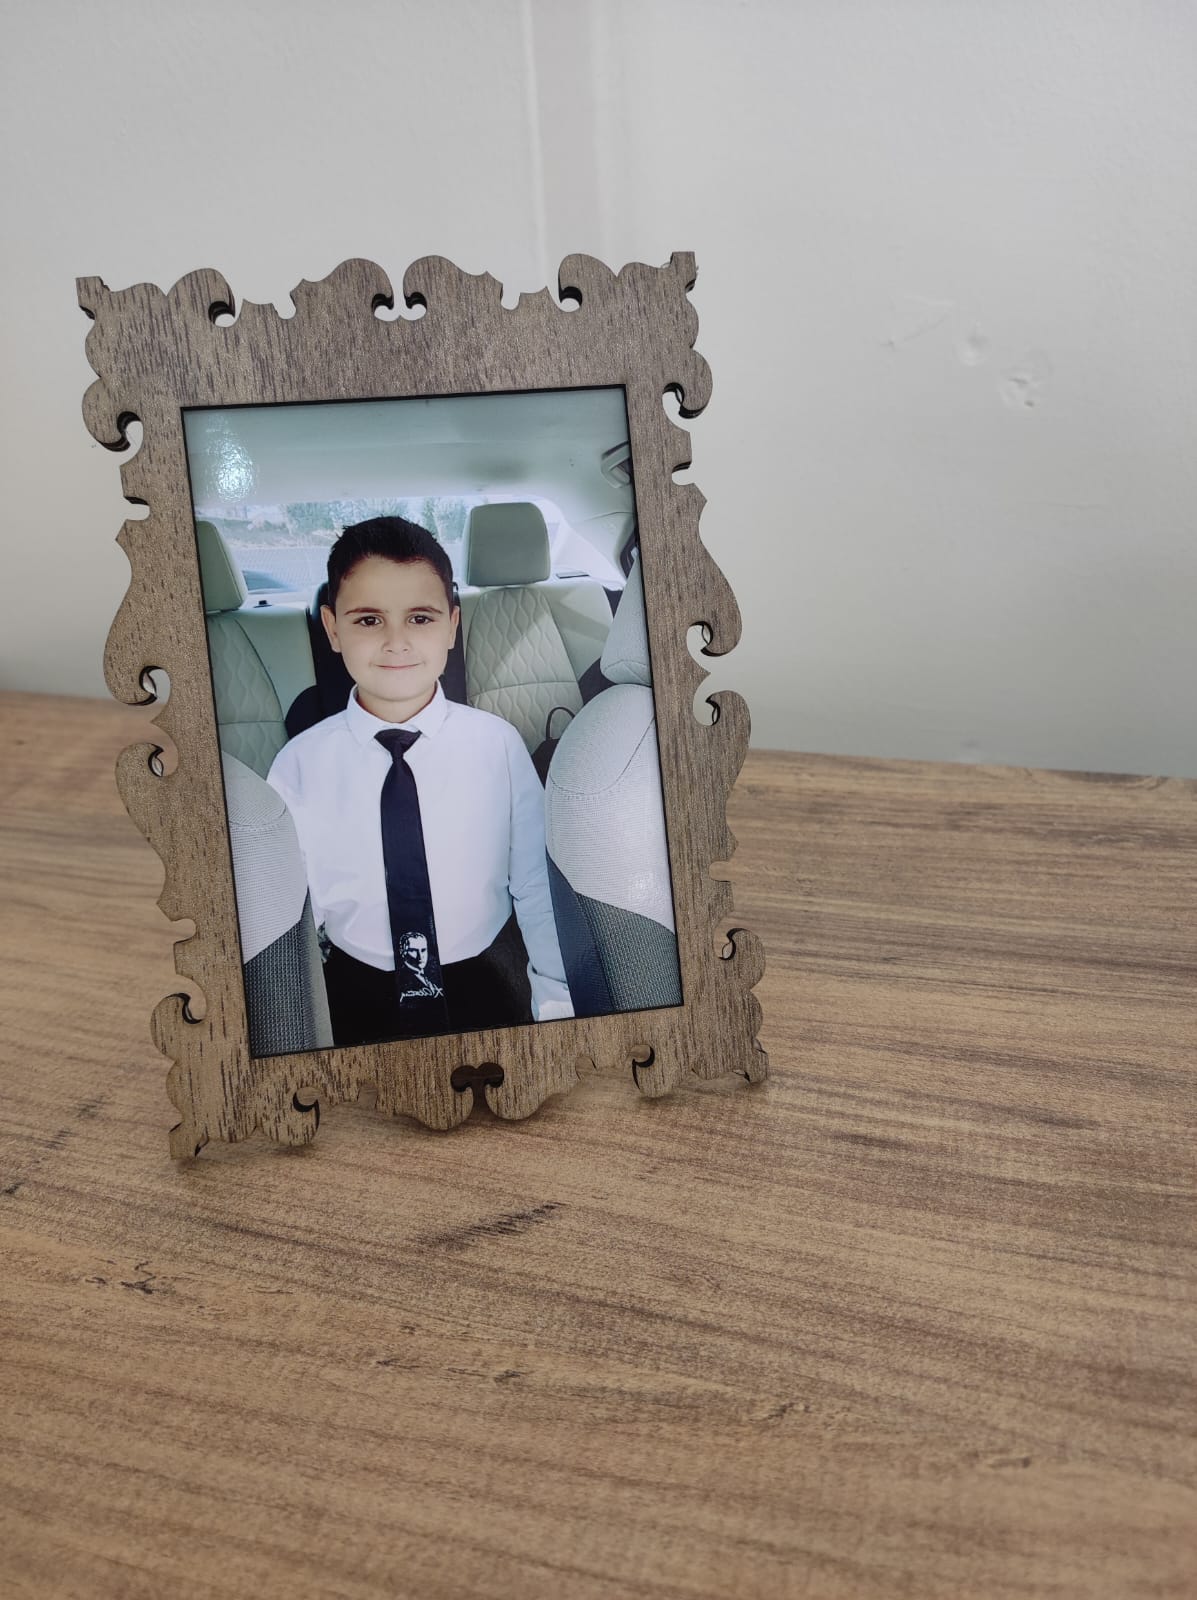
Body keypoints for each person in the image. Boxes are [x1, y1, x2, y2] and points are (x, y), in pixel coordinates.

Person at [266, 516, 574, 1047]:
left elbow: (534, 886)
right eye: (368, 620)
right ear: (332, 629)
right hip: (354, 984)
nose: (396, 641)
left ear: (452, 627)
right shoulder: (298, 765)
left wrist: (556, 1001)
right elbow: (289, 912)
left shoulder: (497, 746)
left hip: (488, 972)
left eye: (420, 618)